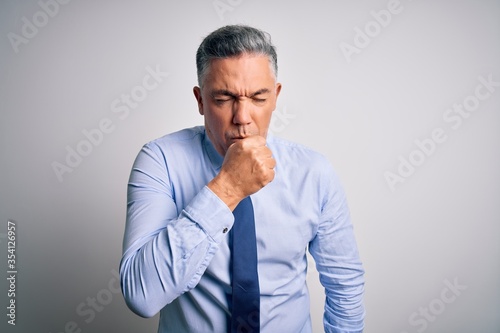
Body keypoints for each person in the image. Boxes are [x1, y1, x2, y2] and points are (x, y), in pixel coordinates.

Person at [120, 25, 365, 333]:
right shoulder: (161, 161)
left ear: (275, 97)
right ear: (200, 100)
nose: (242, 117)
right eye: (224, 98)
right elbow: (142, 295)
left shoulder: (313, 172)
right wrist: (227, 189)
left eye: (258, 98)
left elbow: (344, 286)